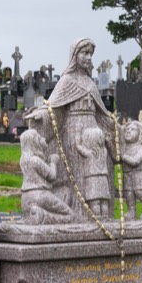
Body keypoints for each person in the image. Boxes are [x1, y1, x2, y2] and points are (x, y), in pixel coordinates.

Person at [49, 38, 115, 219]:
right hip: (74, 133)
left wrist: (113, 125)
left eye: (90, 54)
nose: (88, 57)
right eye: (84, 53)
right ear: (74, 55)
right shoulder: (66, 81)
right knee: (78, 173)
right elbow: (53, 107)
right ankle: (80, 214)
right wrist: (41, 115)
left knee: (97, 173)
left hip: (94, 134)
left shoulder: (90, 83)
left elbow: (102, 112)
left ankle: (101, 212)